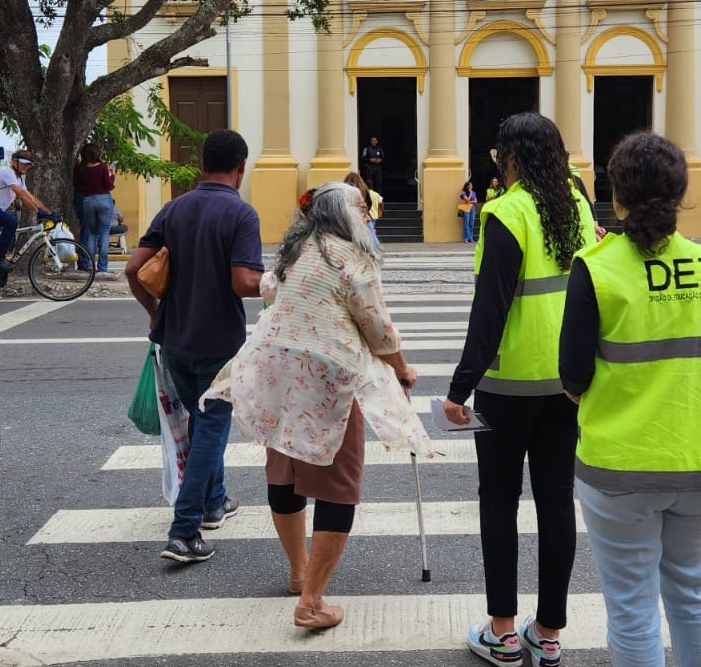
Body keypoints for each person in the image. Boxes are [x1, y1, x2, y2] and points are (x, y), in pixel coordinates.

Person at [560, 132, 701, 667]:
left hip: (621, 466)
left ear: (614, 193)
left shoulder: (596, 267)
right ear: (680, 192)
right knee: (691, 590)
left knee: (632, 607)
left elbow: (572, 378)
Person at [204, 182, 433, 629]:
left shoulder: (297, 251)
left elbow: (271, 289)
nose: (368, 216)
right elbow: (378, 329)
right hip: (326, 380)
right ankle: (311, 601)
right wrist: (402, 368)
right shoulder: (354, 259)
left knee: (285, 470)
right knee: (337, 482)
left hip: (278, 374)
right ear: (345, 215)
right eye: (363, 209)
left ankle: (298, 573)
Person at [443, 112, 597, 667]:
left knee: (499, 502)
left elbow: (491, 309)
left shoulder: (505, 211)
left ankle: (504, 631)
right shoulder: (577, 204)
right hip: (566, 384)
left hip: (508, 388)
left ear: (509, 156)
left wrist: (459, 388)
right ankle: (548, 633)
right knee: (556, 502)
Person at [124, 130, 264, 565]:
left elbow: (133, 269)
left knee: (201, 423)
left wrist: (154, 312)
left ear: (203, 164)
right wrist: (278, 282)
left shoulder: (175, 207)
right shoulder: (242, 214)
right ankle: (184, 531)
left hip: (175, 340)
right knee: (210, 430)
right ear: (241, 166)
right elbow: (243, 282)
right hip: (219, 342)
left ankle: (214, 501)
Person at [0, 150, 55, 281]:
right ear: (14, 162)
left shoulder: (18, 179)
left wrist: (49, 213)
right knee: (11, 222)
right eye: (23, 163)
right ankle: (0, 260)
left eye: (28, 165)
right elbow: (21, 195)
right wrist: (37, 211)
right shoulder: (8, 173)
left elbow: (30, 197)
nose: (26, 167)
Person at [74, 143, 116, 272]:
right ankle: (102, 267)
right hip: (103, 199)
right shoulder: (103, 167)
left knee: (92, 233)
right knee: (104, 233)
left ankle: (90, 264)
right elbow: (108, 185)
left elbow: (76, 184)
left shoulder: (80, 169)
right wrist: (112, 174)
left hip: (87, 201)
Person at [343, 171, 379, 243]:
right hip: (364, 217)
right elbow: (370, 203)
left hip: (349, 218)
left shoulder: (344, 190)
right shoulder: (364, 190)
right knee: (371, 236)